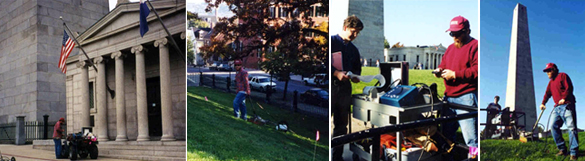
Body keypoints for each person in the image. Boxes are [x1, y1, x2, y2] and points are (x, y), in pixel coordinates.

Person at [433, 15, 478, 150]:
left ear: (467, 31)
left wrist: (455, 75)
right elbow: (444, 63)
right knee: (446, 137)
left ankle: (474, 157)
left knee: (471, 140)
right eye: (452, 33)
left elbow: (477, 70)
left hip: (466, 97)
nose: (454, 37)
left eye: (457, 33)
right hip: (448, 98)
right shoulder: (450, 48)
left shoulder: (475, 46)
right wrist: (439, 70)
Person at [331, 15, 363, 161]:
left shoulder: (354, 50)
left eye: (358, 32)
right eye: (353, 31)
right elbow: (322, 65)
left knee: (341, 126)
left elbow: (357, 69)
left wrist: (356, 77)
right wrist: (335, 73)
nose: (355, 35)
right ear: (345, 28)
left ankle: (337, 157)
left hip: (344, 90)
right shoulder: (331, 42)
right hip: (330, 87)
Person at [540, 63, 578, 160]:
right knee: (553, 126)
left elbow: (569, 88)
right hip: (557, 108)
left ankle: (573, 152)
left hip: (567, 105)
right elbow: (547, 93)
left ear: (554, 69)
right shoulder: (551, 83)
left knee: (571, 128)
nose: (547, 73)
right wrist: (543, 103)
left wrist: (564, 98)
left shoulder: (562, 76)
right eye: (546, 71)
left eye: (549, 71)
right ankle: (562, 149)